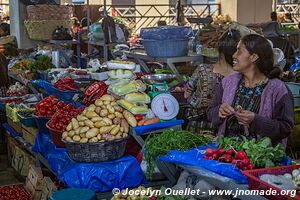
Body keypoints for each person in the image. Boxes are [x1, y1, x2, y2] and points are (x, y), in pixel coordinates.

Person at [207, 34, 294, 147]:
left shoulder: (278, 89)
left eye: (239, 51)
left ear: (254, 57)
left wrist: (255, 121)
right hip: (226, 155)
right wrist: (219, 111)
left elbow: (285, 128)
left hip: (260, 157)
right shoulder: (228, 83)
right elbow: (210, 113)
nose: (233, 55)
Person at [184, 29, 241, 133]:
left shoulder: (202, 69)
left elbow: (186, 95)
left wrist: (198, 101)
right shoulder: (240, 77)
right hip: (224, 130)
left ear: (218, 49)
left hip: (196, 126)